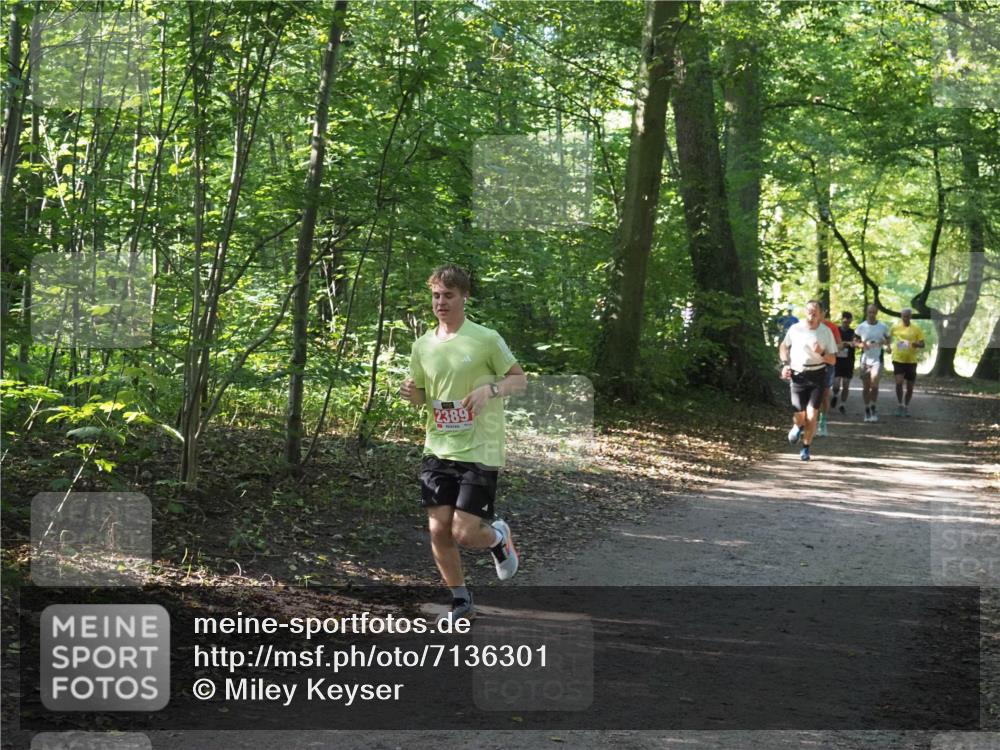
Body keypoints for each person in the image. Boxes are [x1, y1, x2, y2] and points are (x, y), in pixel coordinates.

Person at [400, 264, 527, 623]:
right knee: (438, 527)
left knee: (465, 533)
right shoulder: (422, 345)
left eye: (448, 296)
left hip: (480, 448)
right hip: (438, 446)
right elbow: (421, 396)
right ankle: (460, 598)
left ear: (464, 297)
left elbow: (520, 381)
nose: (440, 302)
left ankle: (498, 538)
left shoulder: (486, 338)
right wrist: (410, 393)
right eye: (436, 295)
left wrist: (491, 389)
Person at [779, 300, 838, 461]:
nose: (811, 315)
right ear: (805, 312)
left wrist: (821, 353)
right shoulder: (795, 329)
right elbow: (784, 346)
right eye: (809, 311)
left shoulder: (826, 332)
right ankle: (797, 425)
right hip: (798, 375)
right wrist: (785, 364)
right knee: (800, 415)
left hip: (818, 375)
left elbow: (832, 360)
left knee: (812, 415)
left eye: (815, 312)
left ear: (820, 314)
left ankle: (806, 448)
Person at [853, 304, 891, 423]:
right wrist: (861, 345)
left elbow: (889, 339)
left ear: (877, 313)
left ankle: (873, 406)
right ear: (867, 313)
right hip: (865, 360)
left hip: (877, 360)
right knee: (866, 387)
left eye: (874, 312)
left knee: (874, 385)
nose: (871, 315)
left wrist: (885, 342)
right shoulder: (861, 327)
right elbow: (854, 341)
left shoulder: (882, 327)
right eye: (870, 312)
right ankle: (867, 409)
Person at [890, 308, 926, 417]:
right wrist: (887, 346)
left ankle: (906, 406)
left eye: (907, 316)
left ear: (911, 317)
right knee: (899, 382)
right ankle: (900, 404)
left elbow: (923, 344)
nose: (905, 318)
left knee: (910, 387)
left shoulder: (916, 329)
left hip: (911, 361)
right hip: (898, 359)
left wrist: (916, 344)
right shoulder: (895, 327)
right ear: (901, 316)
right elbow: (887, 338)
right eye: (903, 316)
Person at [816, 306, 842, 438]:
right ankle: (810, 421)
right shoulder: (807, 326)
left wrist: (828, 349)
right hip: (811, 364)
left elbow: (839, 345)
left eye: (819, 312)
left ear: (824, 312)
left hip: (827, 363)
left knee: (824, 394)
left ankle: (822, 421)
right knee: (811, 393)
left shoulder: (832, 327)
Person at [831, 311, 857, 415]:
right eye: (844, 319)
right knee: (836, 384)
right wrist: (845, 344)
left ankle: (842, 404)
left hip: (849, 360)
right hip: (837, 360)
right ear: (842, 320)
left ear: (850, 321)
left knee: (846, 384)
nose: (846, 322)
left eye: (848, 320)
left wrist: (846, 344)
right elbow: (833, 343)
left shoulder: (853, 332)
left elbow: (855, 343)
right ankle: (835, 395)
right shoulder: (836, 330)